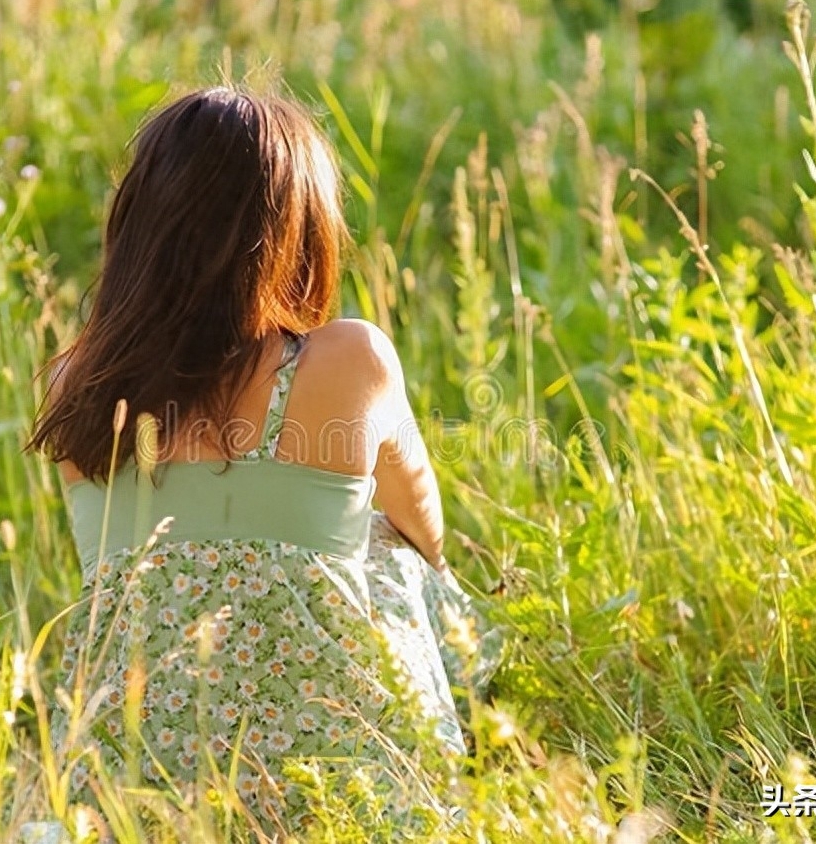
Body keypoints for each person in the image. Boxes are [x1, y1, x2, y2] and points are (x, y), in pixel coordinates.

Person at [26, 86, 494, 837]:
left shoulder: (75, 382)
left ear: (140, 232)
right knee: (391, 550)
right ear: (297, 232)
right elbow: (423, 525)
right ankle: (473, 731)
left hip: (131, 797)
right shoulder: (350, 358)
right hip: (336, 787)